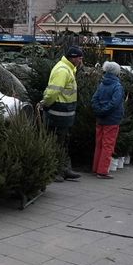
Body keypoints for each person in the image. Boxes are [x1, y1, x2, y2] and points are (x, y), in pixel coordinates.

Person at [42, 45, 84, 181]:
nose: (81, 60)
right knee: (56, 143)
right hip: (57, 115)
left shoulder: (69, 69)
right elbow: (53, 92)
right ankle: (55, 171)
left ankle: (64, 169)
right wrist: (46, 104)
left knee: (63, 143)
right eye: (79, 58)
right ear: (72, 58)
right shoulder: (63, 70)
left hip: (64, 116)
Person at [90, 61, 126, 179]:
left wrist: (99, 110)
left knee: (99, 144)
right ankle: (102, 171)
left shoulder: (102, 84)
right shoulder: (117, 86)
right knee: (108, 145)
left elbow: (94, 99)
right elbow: (115, 103)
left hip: (100, 119)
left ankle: (96, 168)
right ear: (117, 72)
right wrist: (105, 110)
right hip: (112, 119)